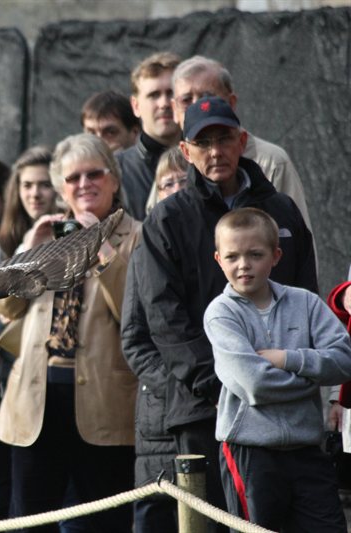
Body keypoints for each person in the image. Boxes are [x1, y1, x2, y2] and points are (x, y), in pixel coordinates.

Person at [126, 96, 317, 532]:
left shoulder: (284, 211)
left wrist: (282, 383)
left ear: (243, 141)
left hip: (282, 408)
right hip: (205, 411)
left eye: (224, 138)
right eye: (203, 141)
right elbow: (164, 319)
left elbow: (306, 301)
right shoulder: (167, 220)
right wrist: (221, 383)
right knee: (209, 523)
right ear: (186, 151)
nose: (216, 151)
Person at [0, 133, 141, 532]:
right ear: (61, 189)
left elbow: (135, 309)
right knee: (29, 521)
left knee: (103, 522)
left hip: (104, 403)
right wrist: (28, 250)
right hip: (35, 400)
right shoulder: (51, 234)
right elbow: (6, 307)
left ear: (113, 180)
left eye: (94, 174)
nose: (84, 184)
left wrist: (100, 247)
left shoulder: (137, 236)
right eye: (73, 178)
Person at [204, 208, 351, 531]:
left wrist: (287, 358)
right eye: (233, 256)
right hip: (252, 455)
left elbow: (344, 361)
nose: (243, 265)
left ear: (276, 255)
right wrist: (311, 380)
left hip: (308, 451)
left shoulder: (307, 304)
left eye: (255, 254)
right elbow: (255, 384)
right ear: (218, 259)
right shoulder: (220, 313)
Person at [121, 146, 189, 533]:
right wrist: (180, 385)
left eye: (184, 179)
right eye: (167, 182)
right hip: (160, 411)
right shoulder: (143, 250)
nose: (177, 188)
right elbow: (133, 338)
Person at [170, 55, 311, 229]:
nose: (199, 105)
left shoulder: (272, 162)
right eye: (186, 100)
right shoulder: (170, 164)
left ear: (231, 102)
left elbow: (298, 238)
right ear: (174, 109)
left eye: (208, 96)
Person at [116, 52, 181, 221]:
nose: (164, 104)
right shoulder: (117, 170)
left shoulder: (207, 161)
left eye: (171, 93)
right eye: (154, 95)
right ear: (135, 106)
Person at [0, 145, 59, 266]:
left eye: (45, 184)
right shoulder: (3, 248)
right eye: (27, 185)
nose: (35, 194)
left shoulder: (74, 235)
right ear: (17, 190)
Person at [144, 146, 189, 215]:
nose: (177, 190)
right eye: (169, 184)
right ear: (159, 193)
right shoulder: (153, 224)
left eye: (184, 180)